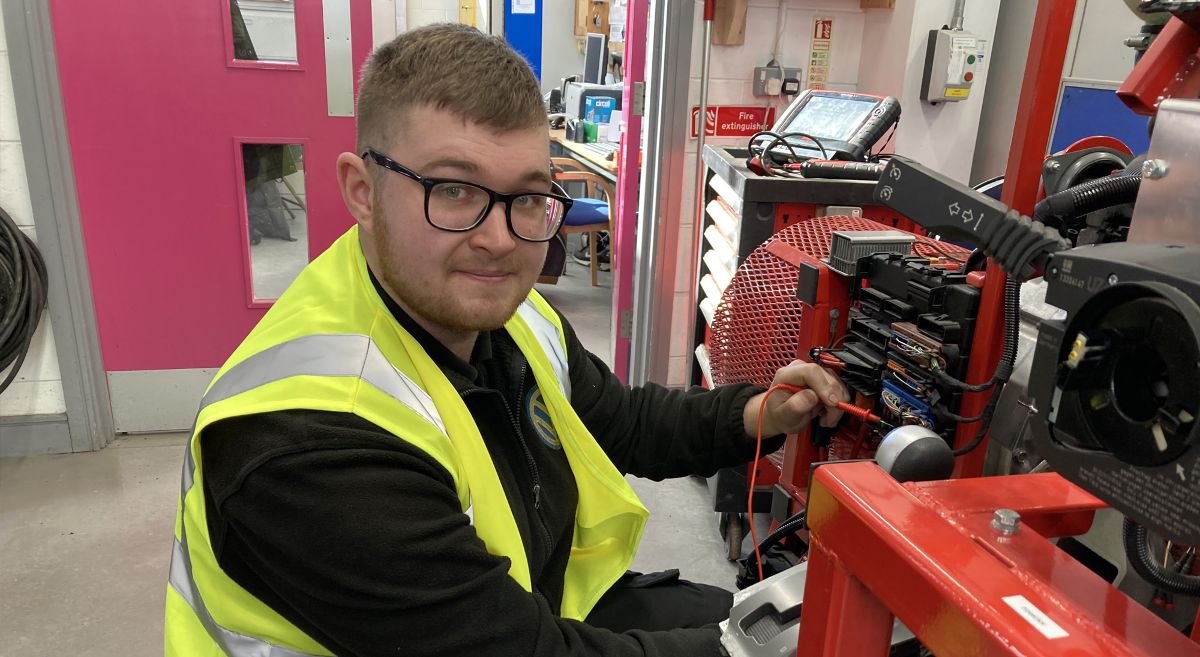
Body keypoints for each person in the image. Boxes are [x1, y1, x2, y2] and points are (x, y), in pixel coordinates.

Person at [164, 23, 848, 657]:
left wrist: (762, 414)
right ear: (363, 190)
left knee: (762, 615)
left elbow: (621, 422)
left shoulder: (503, 315)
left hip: (510, 611)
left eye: (526, 196)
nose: (498, 240)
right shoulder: (310, 440)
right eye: (455, 191)